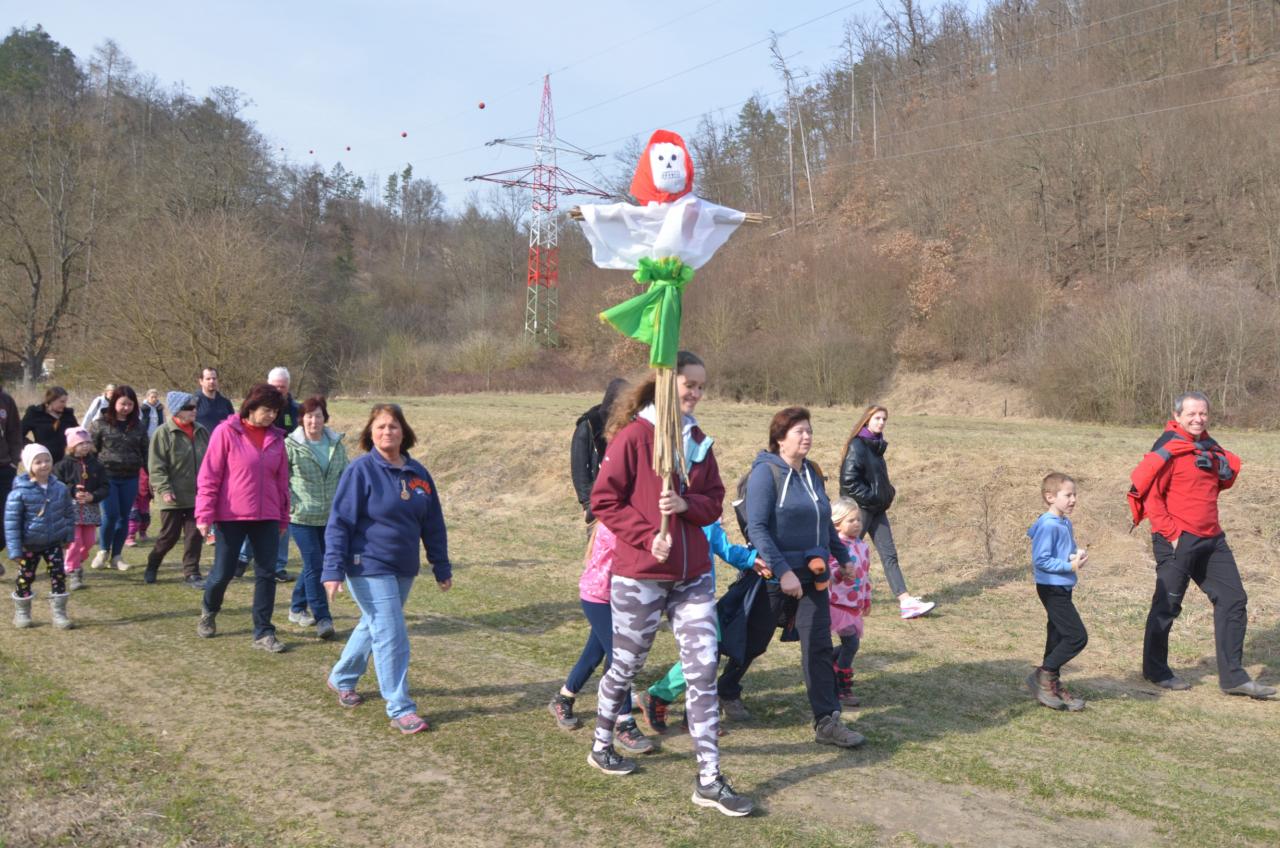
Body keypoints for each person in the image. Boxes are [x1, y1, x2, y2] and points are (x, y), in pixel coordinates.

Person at [588, 351, 754, 817]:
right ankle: (601, 744)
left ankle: (709, 778)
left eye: (702, 386)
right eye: (689, 384)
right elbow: (604, 500)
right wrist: (647, 536)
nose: (697, 393)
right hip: (640, 575)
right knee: (626, 664)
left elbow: (714, 500)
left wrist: (685, 505)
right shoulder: (634, 437)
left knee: (703, 669)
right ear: (667, 384)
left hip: (693, 576)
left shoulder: (698, 440)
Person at [322, 403, 452, 735]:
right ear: (370, 432)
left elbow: (433, 524)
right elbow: (339, 523)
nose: (387, 432)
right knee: (391, 633)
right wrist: (332, 570)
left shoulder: (418, 474)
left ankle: (342, 677)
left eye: (393, 426)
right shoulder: (360, 471)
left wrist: (441, 565)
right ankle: (400, 707)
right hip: (366, 563)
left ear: (403, 431)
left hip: (403, 566)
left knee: (374, 625)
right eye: (380, 426)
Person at [1135, 392, 1275, 700]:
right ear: (1177, 416)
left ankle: (1234, 678)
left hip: (1212, 539)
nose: (1198, 419)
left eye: (1203, 414)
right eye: (1191, 414)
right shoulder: (1169, 448)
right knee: (1167, 605)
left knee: (1233, 599)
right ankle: (1156, 670)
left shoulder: (1209, 448)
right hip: (1177, 540)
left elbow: (1218, 481)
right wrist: (1172, 534)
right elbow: (1151, 497)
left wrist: (1221, 469)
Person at [745, 406, 865, 749]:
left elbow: (824, 522)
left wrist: (843, 558)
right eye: (799, 431)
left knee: (818, 646)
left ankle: (827, 721)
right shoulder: (765, 474)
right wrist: (783, 572)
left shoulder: (812, 472)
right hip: (775, 575)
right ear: (780, 438)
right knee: (751, 641)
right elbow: (757, 528)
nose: (807, 436)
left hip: (814, 576)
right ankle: (724, 689)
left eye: (809, 430)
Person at [195, 384, 290, 653]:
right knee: (223, 572)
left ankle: (264, 631)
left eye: (275, 411)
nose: (272, 416)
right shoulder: (225, 432)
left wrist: (283, 517)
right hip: (231, 515)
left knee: (267, 573)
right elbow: (209, 475)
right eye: (267, 410)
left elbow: (282, 482)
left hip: (268, 515)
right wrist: (204, 514)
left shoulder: (277, 439)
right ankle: (209, 610)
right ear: (251, 407)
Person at [640, 519, 758, 734]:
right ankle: (660, 695)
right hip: (672, 593)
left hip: (702, 597)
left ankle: (691, 713)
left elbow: (726, 549)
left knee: (708, 653)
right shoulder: (663, 518)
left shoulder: (706, 520)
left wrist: (752, 559)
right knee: (703, 653)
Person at [548, 521, 654, 755]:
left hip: (620, 599)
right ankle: (623, 723)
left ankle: (564, 697)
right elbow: (636, 552)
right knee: (620, 657)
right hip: (598, 598)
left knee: (594, 653)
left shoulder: (630, 521)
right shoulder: (614, 525)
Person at [838, 405, 935, 620]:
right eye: (877, 418)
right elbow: (848, 481)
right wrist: (873, 497)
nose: (881, 422)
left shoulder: (876, 446)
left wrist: (888, 493)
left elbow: (878, 479)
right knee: (844, 553)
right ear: (867, 420)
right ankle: (829, 595)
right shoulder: (857, 445)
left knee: (889, 554)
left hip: (877, 509)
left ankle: (905, 601)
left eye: (884, 419)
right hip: (860, 510)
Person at [285, 395, 348, 640]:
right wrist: (290, 503)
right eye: (309, 416)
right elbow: (281, 479)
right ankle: (323, 618)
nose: (314, 421)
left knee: (315, 564)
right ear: (302, 419)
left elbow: (346, 475)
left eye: (318, 416)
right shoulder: (291, 445)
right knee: (316, 565)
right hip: (301, 516)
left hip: (330, 516)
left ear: (325, 418)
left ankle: (296, 607)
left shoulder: (336, 444)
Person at [1025, 472, 1089, 711]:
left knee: (1057, 635)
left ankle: (1050, 683)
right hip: (1051, 587)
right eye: (1068, 495)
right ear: (1050, 497)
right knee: (1076, 637)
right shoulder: (1048, 525)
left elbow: (1062, 551)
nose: (1073, 500)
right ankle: (1043, 675)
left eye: (1075, 495)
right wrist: (1068, 566)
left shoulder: (1064, 522)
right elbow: (1041, 560)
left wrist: (1075, 556)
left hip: (1063, 586)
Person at [236, 366, 298, 582]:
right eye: (275, 386)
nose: (279, 390)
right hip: (259, 468)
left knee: (283, 516)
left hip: (286, 468)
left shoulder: (295, 410)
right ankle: (243, 557)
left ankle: (278, 566)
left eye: (283, 387)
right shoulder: (256, 409)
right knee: (254, 516)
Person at [7, 444, 75, 629]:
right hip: (30, 545)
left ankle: (59, 613)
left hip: (53, 543)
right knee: (25, 578)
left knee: (58, 576)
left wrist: (68, 536)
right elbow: (12, 523)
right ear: (29, 465)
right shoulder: (19, 492)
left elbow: (69, 513)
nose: (44, 465)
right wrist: (15, 549)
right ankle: (22, 612)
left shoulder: (60, 488)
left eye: (47, 460)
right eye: (38, 462)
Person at [144, 392, 209, 588]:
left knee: (195, 536)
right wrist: (164, 489)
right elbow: (156, 466)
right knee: (169, 537)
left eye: (195, 407)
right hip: (172, 496)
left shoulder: (202, 431)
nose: (194, 411)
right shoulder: (163, 433)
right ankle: (153, 563)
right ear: (177, 410)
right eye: (189, 408)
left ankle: (192, 573)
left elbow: (211, 461)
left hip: (197, 495)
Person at [89, 385, 148, 571]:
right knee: (111, 514)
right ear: (114, 402)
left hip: (131, 477)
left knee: (124, 516)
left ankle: (116, 556)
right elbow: (91, 451)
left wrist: (149, 475)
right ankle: (103, 551)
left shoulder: (139, 426)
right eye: (123, 404)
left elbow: (145, 451)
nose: (126, 408)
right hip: (107, 477)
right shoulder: (100, 424)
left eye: (130, 404)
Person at [828, 498, 872, 708]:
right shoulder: (834, 546)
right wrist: (840, 573)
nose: (857, 524)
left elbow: (865, 576)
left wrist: (866, 598)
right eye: (851, 520)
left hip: (854, 605)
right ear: (837, 524)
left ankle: (824, 662)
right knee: (852, 644)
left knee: (849, 644)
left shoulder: (863, 546)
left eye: (859, 520)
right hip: (837, 604)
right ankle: (841, 688)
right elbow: (828, 573)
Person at [53, 427, 108, 591]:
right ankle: (73, 571)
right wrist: (72, 491)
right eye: (81, 443)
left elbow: (105, 487)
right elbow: (56, 484)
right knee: (74, 542)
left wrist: (93, 496)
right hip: (70, 510)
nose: (85, 446)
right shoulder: (62, 465)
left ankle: (76, 561)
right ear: (71, 446)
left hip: (90, 510)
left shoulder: (96, 465)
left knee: (89, 542)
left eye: (87, 442)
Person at [570, 378, 628, 524]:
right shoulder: (589, 425)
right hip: (597, 500)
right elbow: (579, 468)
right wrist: (587, 503)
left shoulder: (629, 426)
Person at [21, 386, 79, 464]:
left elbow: (78, 434)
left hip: (66, 461)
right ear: (51, 400)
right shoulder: (35, 413)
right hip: (44, 461)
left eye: (65, 402)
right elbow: (18, 434)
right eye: (62, 401)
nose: (64, 404)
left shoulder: (68, 415)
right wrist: (33, 447)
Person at [0, 379, 22, 566]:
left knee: (3, 517)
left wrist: (14, 462)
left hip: (4, 468)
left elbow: (15, 432)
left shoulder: (6, 400)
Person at [194, 367, 234, 435]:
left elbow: (233, 425)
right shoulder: (193, 402)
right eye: (208, 379)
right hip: (203, 441)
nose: (212, 381)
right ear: (201, 381)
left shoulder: (226, 402)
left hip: (223, 440)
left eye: (214, 378)